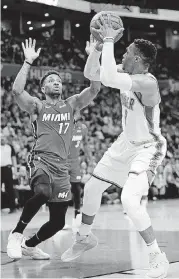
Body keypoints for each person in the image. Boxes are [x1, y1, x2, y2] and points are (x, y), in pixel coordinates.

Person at [61, 16, 169, 278]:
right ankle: (84, 237)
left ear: (138, 59)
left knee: (129, 200)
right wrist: (97, 50)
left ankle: (157, 255)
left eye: (128, 52)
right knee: (92, 187)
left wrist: (108, 39)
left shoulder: (148, 82)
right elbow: (92, 74)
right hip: (125, 142)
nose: (124, 53)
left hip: (147, 147)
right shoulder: (126, 72)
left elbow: (107, 75)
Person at [7, 38, 101, 260]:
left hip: (62, 167)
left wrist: (93, 56)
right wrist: (28, 62)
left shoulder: (71, 104)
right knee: (42, 193)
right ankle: (16, 233)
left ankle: (30, 245)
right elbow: (16, 90)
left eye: (58, 80)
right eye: (51, 81)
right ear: (43, 88)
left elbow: (95, 88)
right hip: (40, 160)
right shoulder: (37, 106)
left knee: (58, 222)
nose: (56, 83)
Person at [68, 113, 93, 231]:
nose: (79, 122)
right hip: (62, 161)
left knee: (76, 188)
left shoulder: (83, 129)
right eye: (77, 120)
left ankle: (77, 215)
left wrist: (90, 160)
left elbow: (86, 144)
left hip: (74, 162)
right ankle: (58, 218)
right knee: (60, 189)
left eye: (80, 120)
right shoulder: (65, 129)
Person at [1, 134, 17, 213]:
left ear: (6, 139)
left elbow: (14, 159)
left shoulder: (10, 147)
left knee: (10, 188)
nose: (2, 139)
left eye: (3, 138)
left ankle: (13, 208)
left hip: (8, 169)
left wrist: (15, 170)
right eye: (0, 138)